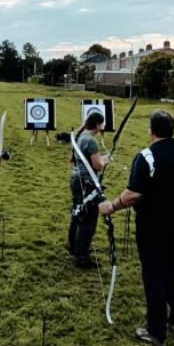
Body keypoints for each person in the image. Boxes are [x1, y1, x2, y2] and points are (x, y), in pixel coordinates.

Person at [98, 110, 174, 346]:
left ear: (151, 130)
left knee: (154, 274)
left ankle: (156, 331)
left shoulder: (146, 156)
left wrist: (110, 206)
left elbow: (134, 193)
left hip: (154, 226)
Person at [69, 112, 107, 268]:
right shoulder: (91, 141)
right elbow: (97, 165)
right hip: (87, 184)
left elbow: (72, 159)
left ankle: (74, 247)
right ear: (97, 124)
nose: (102, 127)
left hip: (76, 180)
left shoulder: (79, 136)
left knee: (78, 212)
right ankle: (82, 257)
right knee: (88, 219)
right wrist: (105, 161)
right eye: (102, 124)